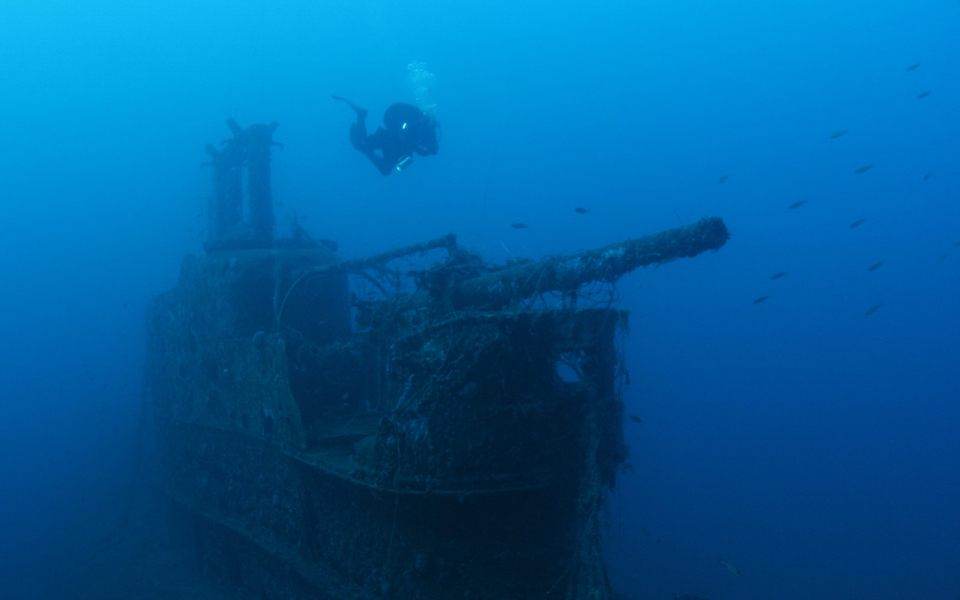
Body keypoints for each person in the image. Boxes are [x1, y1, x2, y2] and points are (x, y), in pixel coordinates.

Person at [333, 95, 439, 176]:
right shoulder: (417, 124)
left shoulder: (426, 132)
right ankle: (361, 115)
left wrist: (420, 149)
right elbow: (404, 134)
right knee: (360, 144)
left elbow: (431, 149)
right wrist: (415, 146)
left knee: (385, 170)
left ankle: (366, 149)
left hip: (395, 144)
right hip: (390, 137)